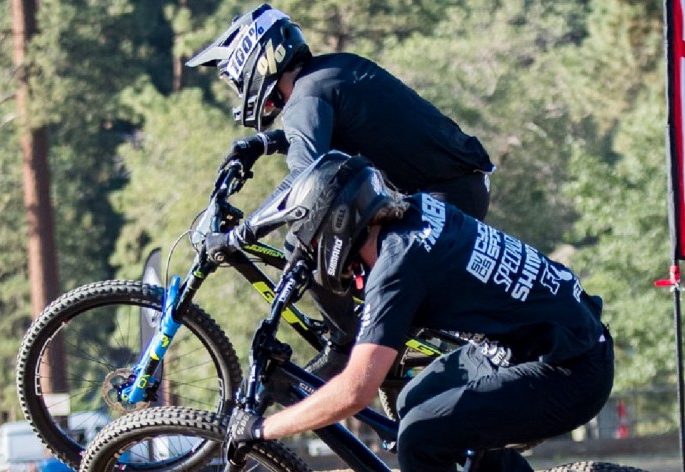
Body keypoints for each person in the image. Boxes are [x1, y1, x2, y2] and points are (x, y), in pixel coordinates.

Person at [221, 152, 614, 472]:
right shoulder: (420, 211)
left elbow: (356, 392)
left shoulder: (397, 268)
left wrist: (266, 429)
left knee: (420, 435)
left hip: (567, 373)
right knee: (413, 398)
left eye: (312, 238)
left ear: (337, 228)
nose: (311, 249)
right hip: (547, 340)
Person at [188, 4, 495, 377]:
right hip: (457, 187)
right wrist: (266, 143)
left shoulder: (307, 96)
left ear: (257, 62)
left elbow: (306, 185)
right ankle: (388, 373)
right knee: (349, 252)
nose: (238, 92)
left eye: (235, 81)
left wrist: (239, 235)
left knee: (306, 238)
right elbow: (336, 132)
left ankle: (345, 340)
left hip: (446, 197)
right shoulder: (328, 73)